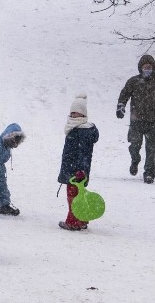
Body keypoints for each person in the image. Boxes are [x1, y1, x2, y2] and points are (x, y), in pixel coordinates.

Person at [116, 55, 155, 184]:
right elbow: (124, 94)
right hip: (136, 121)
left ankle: (149, 173)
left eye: (149, 67)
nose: (147, 69)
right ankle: (135, 160)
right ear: (140, 68)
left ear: (153, 68)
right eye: (145, 67)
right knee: (134, 146)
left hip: (153, 122)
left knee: (151, 150)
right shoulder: (133, 81)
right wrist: (120, 107)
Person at [57, 94, 99, 231]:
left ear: (83, 114)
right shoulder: (76, 129)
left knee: (73, 197)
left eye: (77, 112)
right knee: (78, 196)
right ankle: (81, 219)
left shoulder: (82, 131)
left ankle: (73, 222)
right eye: (72, 112)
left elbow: (83, 154)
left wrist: (80, 170)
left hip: (76, 171)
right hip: (73, 169)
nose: (74, 115)